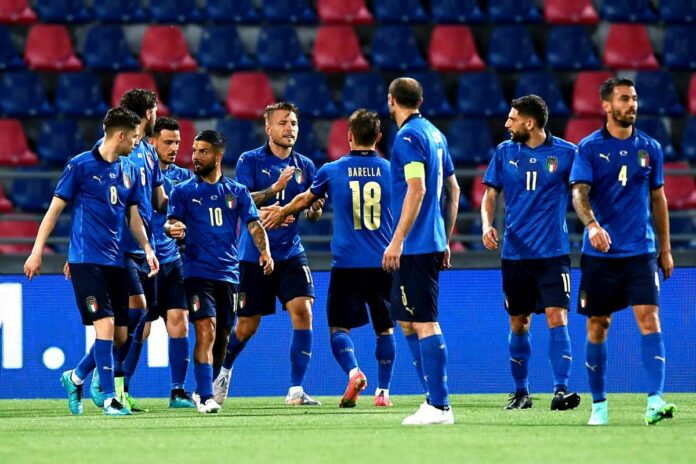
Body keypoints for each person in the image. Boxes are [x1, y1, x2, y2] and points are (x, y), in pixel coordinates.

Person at [23, 107, 158, 416]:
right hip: (86, 260)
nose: (137, 143)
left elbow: (133, 216)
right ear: (121, 135)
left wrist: (147, 248)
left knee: (120, 335)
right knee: (106, 326)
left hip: (116, 261)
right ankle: (110, 399)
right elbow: (54, 211)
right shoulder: (80, 165)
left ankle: (75, 377)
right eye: (134, 137)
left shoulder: (128, 169)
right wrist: (36, 251)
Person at [263, 109, 397, 408]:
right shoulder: (391, 170)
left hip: (347, 265)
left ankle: (354, 372)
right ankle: (383, 394)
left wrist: (281, 212)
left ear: (349, 136)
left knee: (339, 328)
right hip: (383, 262)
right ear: (378, 137)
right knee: (385, 329)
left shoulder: (332, 170)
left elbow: (305, 200)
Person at [570, 77, 676, 426]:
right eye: (624, 99)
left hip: (640, 252)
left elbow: (658, 199)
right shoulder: (589, 148)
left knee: (650, 318)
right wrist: (593, 225)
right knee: (598, 325)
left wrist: (665, 249)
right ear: (606, 106)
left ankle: (655, 401)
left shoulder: (650, 148)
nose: (632, 105)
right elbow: (579, 193)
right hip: (600, 255)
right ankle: (599, 406)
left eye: (634, 98)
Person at [213, 102, 324, 406]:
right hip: (254, 255)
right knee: (247, 326)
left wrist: (314, 208)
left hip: (290, 252)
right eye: (283, 123)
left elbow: (314, 214)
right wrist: (271, 200)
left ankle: (296, 389)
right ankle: (224, 370)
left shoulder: (306, 166)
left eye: (294, 123)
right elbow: (240, 201)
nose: (290, 129)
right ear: (268, 128)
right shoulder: (250, 160)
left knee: (303, 310)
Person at [481, 95, 581, 411]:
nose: (507, 124)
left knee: (557, 317)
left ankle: (561, 390)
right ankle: (521, 392)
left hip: (553, 254)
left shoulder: (567, 153)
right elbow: (490, 194)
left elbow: (583, 191)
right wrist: (486, 224)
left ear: (530, 122)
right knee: (519, 322)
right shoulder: (504, 151)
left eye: (512, 119)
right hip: (515, 254)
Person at [165, 130, 273, 414]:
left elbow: (254, 223)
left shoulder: (237, 192)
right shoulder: (183, 191)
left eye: (202, 151)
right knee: (206, 329)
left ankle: (204, 389)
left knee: (222, 339)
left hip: (228, 275)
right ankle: (205, 397)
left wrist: (265, 251)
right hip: (196, 273)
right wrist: (172, 228)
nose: (195, 156)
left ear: (218, 155)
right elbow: (170, 222)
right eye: (194, 150)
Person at [382, 78, 460, 425]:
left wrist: (397, 240)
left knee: (424, 321)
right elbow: (454, 190)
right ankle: (432, 398)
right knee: (408, 321)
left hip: (414, 245)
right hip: (430, 241)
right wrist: (445, 237)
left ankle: (439, 405)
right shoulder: (435, 134)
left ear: (391, 100)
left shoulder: (407, 137)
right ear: (421, 100)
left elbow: (417, 188)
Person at [90, 88, 166, 413]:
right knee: (134, 312)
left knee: (137, 323)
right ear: (147, 113)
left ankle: (116, 385)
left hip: (144, 247)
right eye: (155, 110)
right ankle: (98, 375)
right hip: (118, 248)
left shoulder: (147, 150)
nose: (157, 114)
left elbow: (160, 200)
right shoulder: (116, 150)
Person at [146, 117, 195, 408]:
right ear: (152, 142)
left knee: (180, 323)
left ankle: (177, 391)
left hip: (173, 260)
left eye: (177, 142)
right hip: (144, 262)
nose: (174, 147)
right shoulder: (138, 172)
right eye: (168, 142)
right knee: (141, 329)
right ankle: (121, 389)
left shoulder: (184, 178)